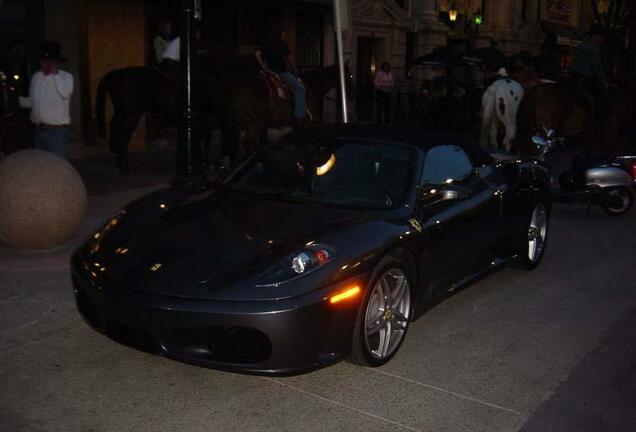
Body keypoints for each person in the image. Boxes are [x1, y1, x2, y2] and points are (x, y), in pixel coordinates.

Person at [18, 41, 73, 159]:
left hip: (56, 132)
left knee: (58, 163)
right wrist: (17, 100)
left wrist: (56, 75)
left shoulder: (66, 77)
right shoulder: (36, 77)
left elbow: (65, 94)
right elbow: (33, 101)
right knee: (41, 164)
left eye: (49, 62)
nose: (45, 64)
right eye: (43, 61)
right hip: (39, 130)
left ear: (56, 62)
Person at [255, 22, 306, 124]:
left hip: (269, 72)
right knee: (300, 88)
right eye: (283, 32)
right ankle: (299, 116)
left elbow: (257, 54)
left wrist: (263, 66)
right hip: (281, 73)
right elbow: (289, 58)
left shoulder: (266, 42)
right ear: (280, 33)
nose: (284, 34)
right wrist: (294, 68)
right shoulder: (283, 43)